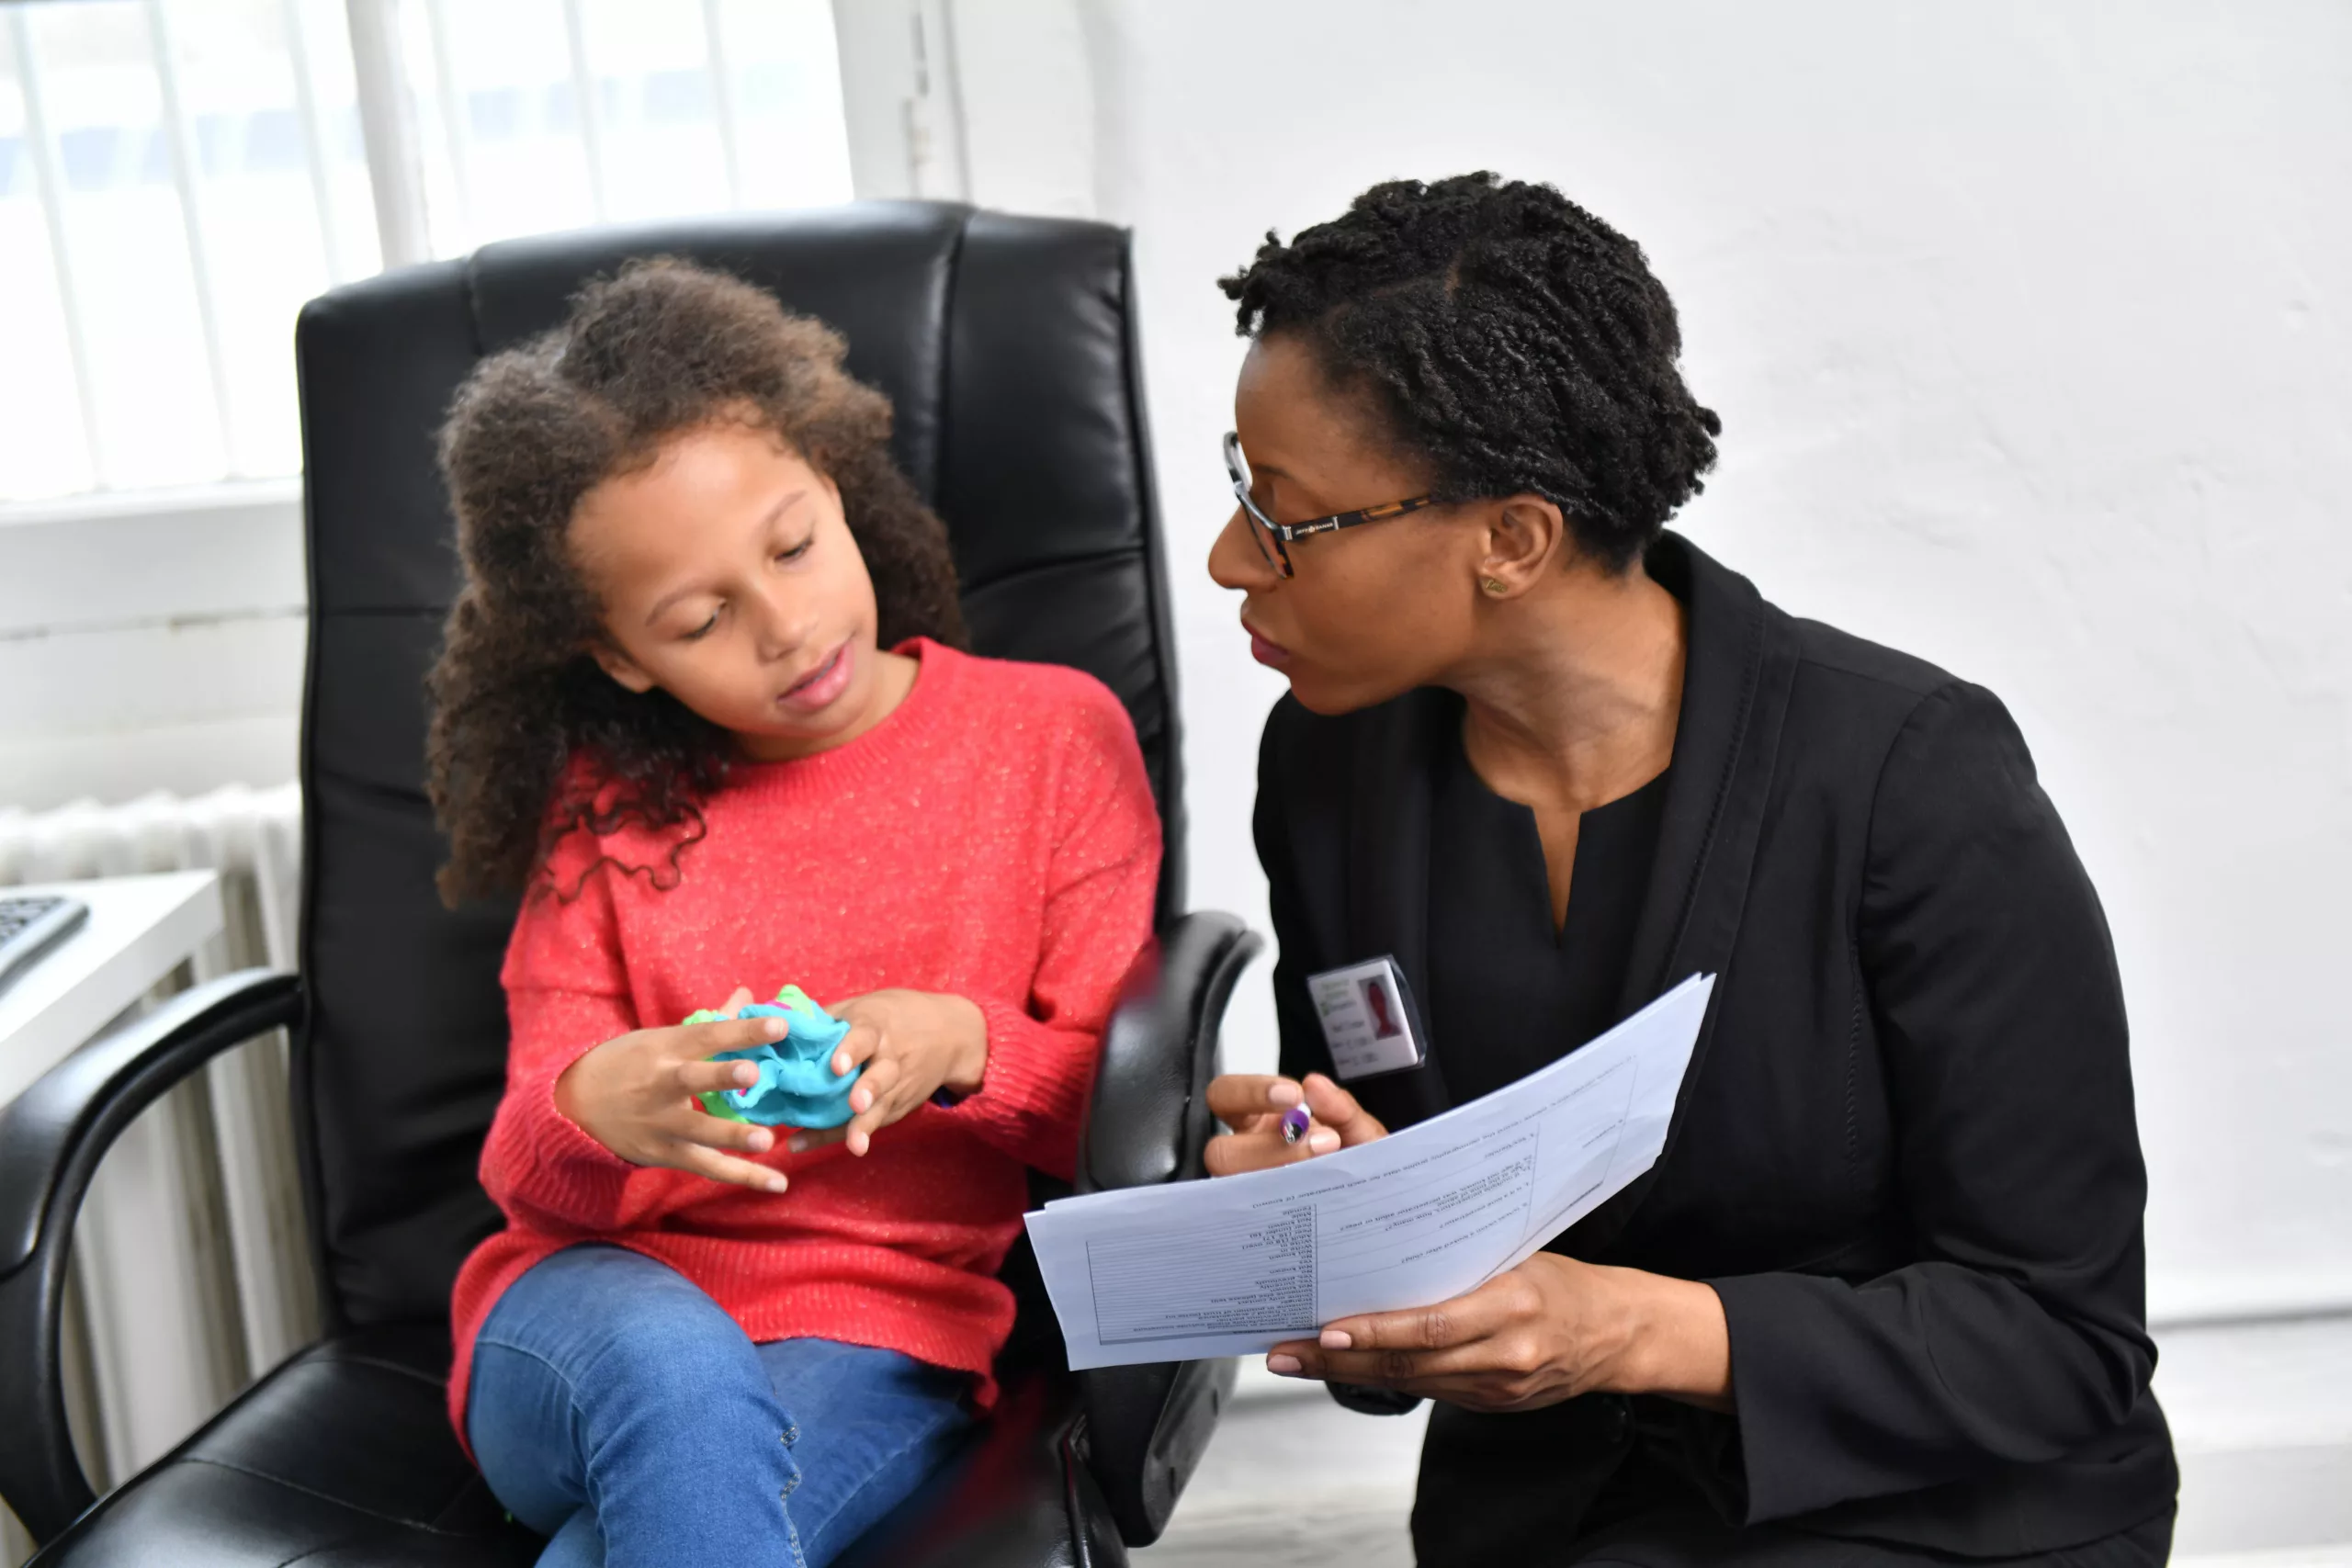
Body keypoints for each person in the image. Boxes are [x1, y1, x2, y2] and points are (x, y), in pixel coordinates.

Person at [1202, 174, 2176, 1566]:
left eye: (1287, 518)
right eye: (1242, 489)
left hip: (1934, 1509)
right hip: (1555, 1519)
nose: (1235, 557)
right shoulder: (1327, 767)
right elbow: (1375, 1339)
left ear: (1511, 539)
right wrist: (1330, 1216)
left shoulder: (1911, 778)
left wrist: (1625, 1329)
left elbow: (2062, 1340)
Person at [424, 259, 1161, 1567]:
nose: (786, 624)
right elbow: (524, 1163)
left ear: (832, 478)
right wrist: (602, 1104)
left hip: (874, 1339)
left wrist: (960, 1042)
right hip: (586, 1317)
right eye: (702, 618)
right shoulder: (605, 815)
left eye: (796, 543)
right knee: (673, 1370)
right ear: (619, 656)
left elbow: (1120, 1119)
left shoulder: (1050, 741)